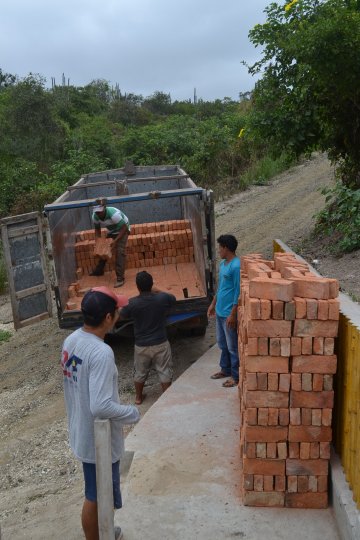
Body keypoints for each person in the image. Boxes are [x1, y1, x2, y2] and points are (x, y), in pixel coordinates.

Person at [61, 285, 140, 540]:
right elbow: (101, 406)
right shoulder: (101, 352)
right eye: (116, 310)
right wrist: (132, 412)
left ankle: (106, 531)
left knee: (97, 491)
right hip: (97, 440)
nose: (118, 313)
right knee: (96, 494)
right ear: (108, 317)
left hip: (81, 429)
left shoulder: (72, 340)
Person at [119, 271, 176, 405]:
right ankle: (166, 398)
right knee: (164, 370)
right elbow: (172, 299)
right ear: (152, 285)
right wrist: (158, 290)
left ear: (137, 287)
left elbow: (122, 314)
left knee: (140, 371)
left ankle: (138, 397)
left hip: (141, 345)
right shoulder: (161, 298)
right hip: (160, 342)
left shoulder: (132, 303)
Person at [207, 234, 240, 388]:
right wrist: (213, 304)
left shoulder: (236, 266)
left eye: (220, 247)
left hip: (228, 313)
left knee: (232, 346)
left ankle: (235, 376)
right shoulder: (223, 264)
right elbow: (221, 288)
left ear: (226, 248)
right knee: (222, 344)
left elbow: (237, 292)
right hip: (220, 310)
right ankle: (225, 369)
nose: (218, 250)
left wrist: (233, 314)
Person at [90, 201, 130, 288]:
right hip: (112, 231)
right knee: (103, 249)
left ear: (105, 208)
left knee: (120, 252)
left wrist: (115, 241)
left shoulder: (113, 214)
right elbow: (97, 230)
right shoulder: (95, 216)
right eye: (96, 212)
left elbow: (124, 228)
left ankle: (120, 278)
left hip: (123, 229)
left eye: (100, 211)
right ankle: (99, 270)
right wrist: (98, 243)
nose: (98, 214)